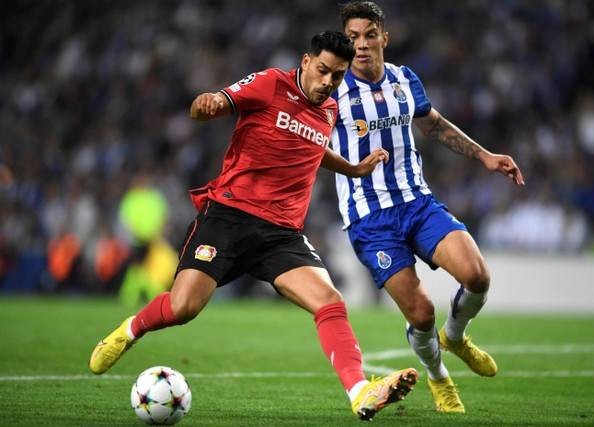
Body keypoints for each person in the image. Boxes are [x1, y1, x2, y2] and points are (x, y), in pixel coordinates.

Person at [89, 31, 417, 421]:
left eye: (338, 76)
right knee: (183, 307)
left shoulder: (328, 109)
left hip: (280, 234)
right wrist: (204, 105)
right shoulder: (269, 84)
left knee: (330, 302)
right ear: (306, 61)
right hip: (228, 217)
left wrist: (352, 168)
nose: (329, 82)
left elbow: (313, 146)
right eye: (324, 71)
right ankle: (130, 330)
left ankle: (361, 392)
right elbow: (213, 105)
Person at [331, 2, 525, 414]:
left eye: (368, 35)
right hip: (370, 219)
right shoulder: (332, 91)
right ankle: (439, 379)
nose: (361, 46)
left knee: (477, 275)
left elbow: (432, 123)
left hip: (418, 203)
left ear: (385, 36)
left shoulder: (404, 79)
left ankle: (455, 335)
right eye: (352, 38)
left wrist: (485, 156)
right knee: (420, 313)